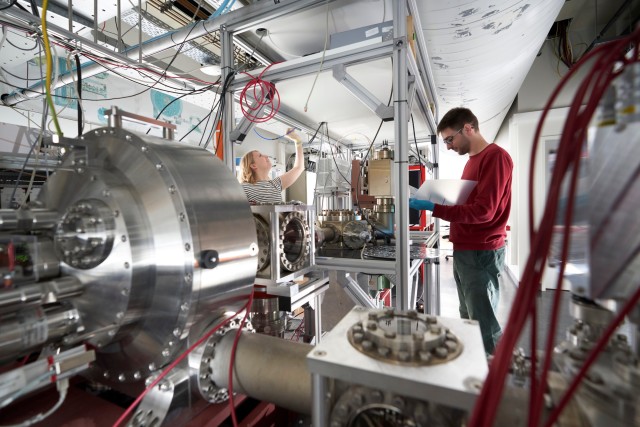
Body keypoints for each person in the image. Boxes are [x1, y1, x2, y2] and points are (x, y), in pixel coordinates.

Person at [409, 107, 513, 355]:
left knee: (483, 324)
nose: (448, 146)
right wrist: (445, 200)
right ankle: (474, 369)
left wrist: (435, 207)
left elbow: (484, 212)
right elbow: (470, 205)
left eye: (449, 139)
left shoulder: (495, 157)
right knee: (468, 318)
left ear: (468, 128)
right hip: (466, 250)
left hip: (481, 251)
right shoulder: (472, 162)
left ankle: (494, 381)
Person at [238, 128, 305, 204]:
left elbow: (299, 168)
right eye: (260, 156)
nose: (266, 156)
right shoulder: (243, 188)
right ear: (253, 165)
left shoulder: (275, 184)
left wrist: (298, 141)